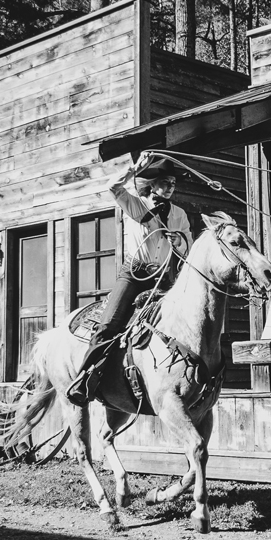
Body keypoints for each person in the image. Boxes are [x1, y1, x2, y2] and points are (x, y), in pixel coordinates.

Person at [66, 151, 192, 405]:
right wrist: (134, 169)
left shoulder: (179, 214)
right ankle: (85, 378)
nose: (170, 187)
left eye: (173, 183)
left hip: (163, 277)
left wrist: (181, 241)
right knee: (109, 323)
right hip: (134, 274)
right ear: (153, 183)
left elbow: (187, 245)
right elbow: (112, 188)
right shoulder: (137, 204)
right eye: (165, 182)